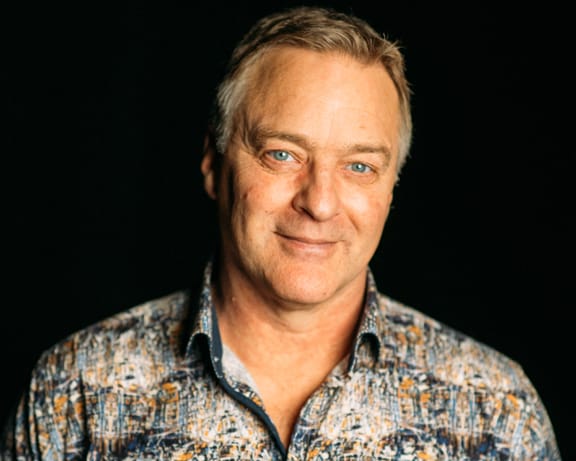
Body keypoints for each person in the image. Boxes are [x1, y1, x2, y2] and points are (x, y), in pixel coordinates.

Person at [1, 5, 561, 460]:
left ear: (392, 188)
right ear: (214, 166)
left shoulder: (495, 409)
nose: (318, 201)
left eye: (360, 165)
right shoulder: (74, 393)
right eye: (282, 154)